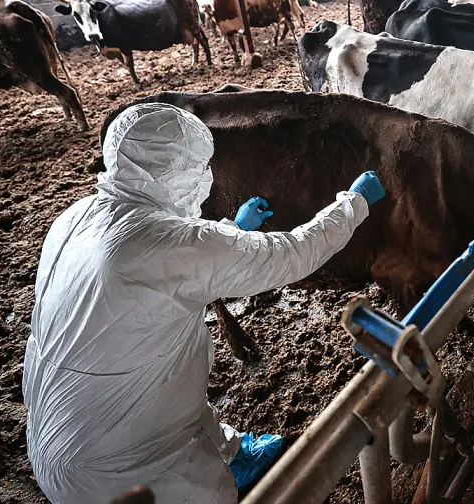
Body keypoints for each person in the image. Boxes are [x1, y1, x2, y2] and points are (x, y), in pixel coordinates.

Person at [22, 103, 385, 504]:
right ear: (174, 169)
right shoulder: (161, 244)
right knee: (213, 494)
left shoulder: (75, 217)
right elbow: (293, 253)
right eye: (197, 165)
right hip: (118, 469)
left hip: (57, 429)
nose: (205, 174)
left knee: (171, 385)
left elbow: (168, 268)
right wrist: (353, 203)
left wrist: (232, 230)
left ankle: (233, 453)